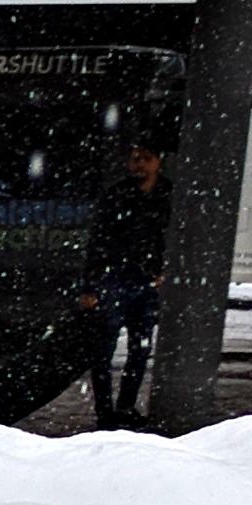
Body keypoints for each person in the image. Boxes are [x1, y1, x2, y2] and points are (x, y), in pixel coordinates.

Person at [82, 130, 174, 428]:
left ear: (159, 162)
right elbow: (97, 241)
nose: (140, 165)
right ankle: (109, 411)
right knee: (107, 349)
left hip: (143, 281)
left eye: (146, 159)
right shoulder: (118, 195)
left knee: (138, 349)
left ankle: (121, 408)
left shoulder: (167, 195)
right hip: (117, 279)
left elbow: (171, 237)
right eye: (136, 159)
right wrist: (92, 285)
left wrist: (161, 270)